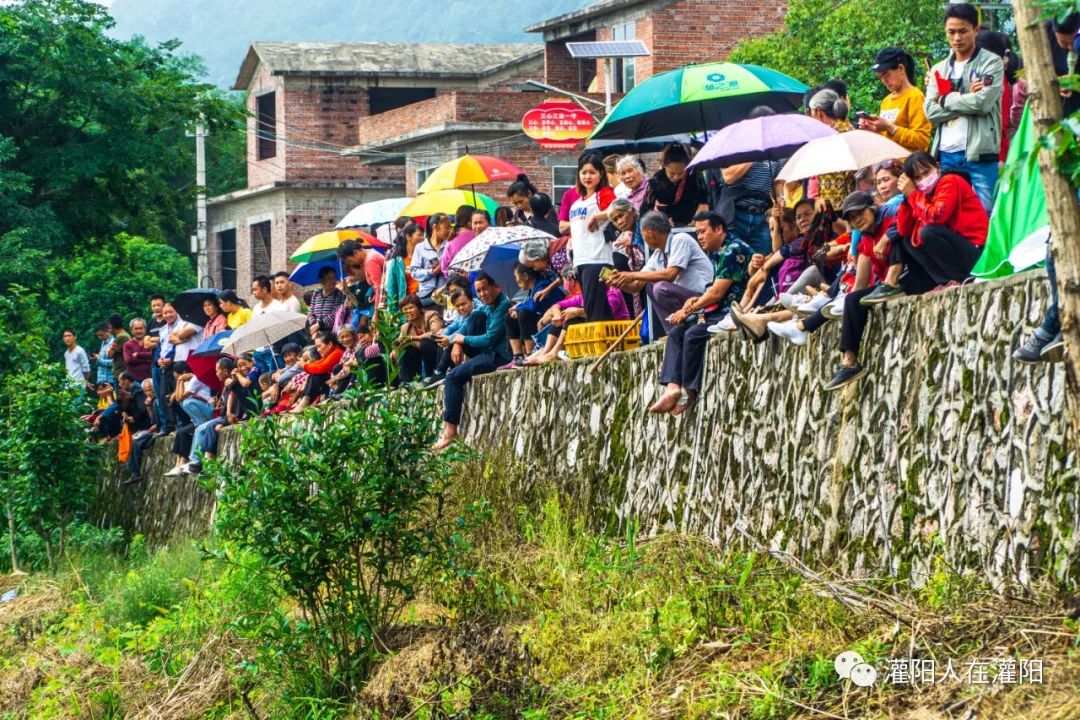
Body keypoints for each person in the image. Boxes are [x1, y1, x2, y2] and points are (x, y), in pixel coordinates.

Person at [823, 155, 988, 391]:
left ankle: (899, 283)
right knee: (853, 299)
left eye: (925, 173)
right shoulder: (868, 239)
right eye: (916, 177)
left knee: (924, 232)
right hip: (929, 272)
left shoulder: (949, 182)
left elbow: (936, 216)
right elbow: (903, 226)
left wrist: (910, 197)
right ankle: (849, 362)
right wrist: (910, 200)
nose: (857, 220)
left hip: (973, 253)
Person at [650, 212, 753, 415]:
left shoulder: (733, 249)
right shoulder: (717, 251)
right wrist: (694, 301)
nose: (700, 237)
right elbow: (711, 288)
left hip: (730, 310)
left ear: (719, 229)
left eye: (703, 231)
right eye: (697, 232)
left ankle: (689, 390)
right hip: (715, 308)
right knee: (677, 333)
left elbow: (716, 293)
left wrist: (688, 308)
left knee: (693, 334)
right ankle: (672, 387)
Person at [924, 2, 1004, 213]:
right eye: (951, 32)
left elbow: (984, 103)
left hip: (981, 153)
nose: (957, 38)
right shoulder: (939, 69)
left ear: (975, 30)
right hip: (946, 154)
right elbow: (930, 112)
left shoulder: (991, 63)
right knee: (949, 214)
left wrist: (945, 100)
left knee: (986, 213)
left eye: (963, 31)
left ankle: (986, 249)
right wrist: (968, 98)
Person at [433, 272, 511, 449]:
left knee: (453, 377)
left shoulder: (503, 305)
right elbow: (464, 327)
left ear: (495, 286)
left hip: (498, 357)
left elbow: (489, 339)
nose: (482, 294)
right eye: (479, 291)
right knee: (474, 317)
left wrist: (460, 340)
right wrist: (455, 341)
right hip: (486, 353)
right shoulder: (486, 307)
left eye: (485, 289)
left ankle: (450, 432)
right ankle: (441, 371)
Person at [608, 210, 715, 336]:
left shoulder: (680, 239)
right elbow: (636, 286)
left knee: (660, 287)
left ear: (651, 232)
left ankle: (689, 322)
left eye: (643, 236)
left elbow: (670, 274)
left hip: (702, 298)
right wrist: (619, 282)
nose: (644, 240)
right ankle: (672, 331)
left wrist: (630, 274)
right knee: (649, 285)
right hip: (685, 299)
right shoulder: (658, 254)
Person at [568, 153, 618, 321]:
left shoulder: (603, 194)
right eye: (583, 172)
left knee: (592, 306)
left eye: (592, 172)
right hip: (581, 261)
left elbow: (618, 210)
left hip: (598, 260)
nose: (587, 176)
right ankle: (613, 342)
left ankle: (602, 346)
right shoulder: (576, 203)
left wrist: (598, 217)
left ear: (601, 174)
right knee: (599, 305)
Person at [860, 47, 932, 152]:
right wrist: (873, 129)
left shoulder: (915, 96)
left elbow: (922, 140)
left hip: (908, 164)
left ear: (901, 69)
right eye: (880, 77)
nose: (884, 81)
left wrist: (890, 127)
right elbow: (886, 139)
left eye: (886, 75)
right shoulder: (886, 101)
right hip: (888, 161)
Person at [500, 262, 565, 369]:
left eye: (516, 277)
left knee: (524, 314)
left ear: (525, 276)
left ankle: (530, 354)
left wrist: (518, 307)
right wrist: (518, 308)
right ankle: (517, 356)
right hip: (542, 320)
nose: (516, 280)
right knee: (509, 317)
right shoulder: (532, 289)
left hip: (552, 321)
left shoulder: (543, 285)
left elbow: (533, 306)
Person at [807, 89, 856, 209]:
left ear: (818, 112)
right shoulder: (851, 129)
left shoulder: (825, 139)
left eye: (812, 112)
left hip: (834, 206)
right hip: (855, 202)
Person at [157, 303, 200, 434]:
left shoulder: (193, 321)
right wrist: (181, 339)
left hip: (188, 360)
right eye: (165, 313)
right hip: (174, 361)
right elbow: (172, 339)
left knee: (183, 392)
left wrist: (180, 338)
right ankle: (175, 424)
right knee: (166, 395)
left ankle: (188, 421)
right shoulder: (165, 328)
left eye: (171, 312)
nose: (169, 315)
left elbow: (179, 337)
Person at [641, 143, 708, 226]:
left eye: (680, 173)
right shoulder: (657, 179)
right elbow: (646, 210)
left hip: (692, 224)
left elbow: (704, 202)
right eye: (671, 173)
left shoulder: (693, 175)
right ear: (664, 165)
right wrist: (660, 221)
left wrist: (696, 221)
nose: (676, 177)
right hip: (665, 227)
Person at [393, 294, 445, 382]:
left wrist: (413, 338)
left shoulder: (431, 315)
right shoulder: (405, 327)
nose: (408, 311)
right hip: (419, 356)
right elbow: (400, 342)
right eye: (405, 309)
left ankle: (432, 375)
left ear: (420, 308)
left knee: (425, 343)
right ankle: (409, 381)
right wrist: (395, 350)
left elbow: (435, 333)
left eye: (411, 308)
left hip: (438, 351)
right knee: (404, 349)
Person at [290, 332, 345, 413]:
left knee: (317, 374)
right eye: (317, 347)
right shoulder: (330, 353)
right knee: (314, 374)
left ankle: (305, 401)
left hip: (337, 385)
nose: (318, 350)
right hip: (330, 384)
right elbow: (318, 363)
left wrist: (305, 365)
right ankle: (304, 400)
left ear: (329, 344)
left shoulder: (337, 353)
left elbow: (321, 368)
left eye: (319, 346)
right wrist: (304, 364)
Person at [337, 237, 386, 316]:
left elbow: (379, 287)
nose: (352, 263)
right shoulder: (370, 255)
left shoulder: (371, 260)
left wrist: (376, 313)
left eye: (350, 261)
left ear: (355, 252)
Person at [123, 379, 157, 485]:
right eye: (146, 391)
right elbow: (153, 420)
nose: (148, 393)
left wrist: (148, 430)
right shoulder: (151, 401)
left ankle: (135, 474)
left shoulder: (159, 400)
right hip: (152, 428)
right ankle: (134, 473)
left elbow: (159, 423)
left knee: (137, 441)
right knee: (135, 441)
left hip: (158, 429)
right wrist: (148, 407)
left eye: (150, 390)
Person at [411, 212, 450, 306]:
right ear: (435, 227)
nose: (449, 230)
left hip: (445, 295)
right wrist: (431, 271)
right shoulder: (420, 247)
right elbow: (414, 272)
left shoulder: (449, 245)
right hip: (426, 296)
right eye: (447, 227)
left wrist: (443, 267)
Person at [1049, 13, 1080, 116]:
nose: (1071, 47)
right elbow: (1024, 76)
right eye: (1064, 42)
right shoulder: (1044, 35)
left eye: (1074, 40)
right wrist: (1054, 84)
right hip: (1052, 111)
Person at [307, 266, 346, 336]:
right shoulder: (316, 293)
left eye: (334, 277)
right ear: (322, 281)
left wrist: (319, 325)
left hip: (331, 331)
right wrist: (314, 325)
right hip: (315, 330)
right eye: (329, 278)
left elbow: (336, 314)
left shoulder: (338, 294)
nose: (333, 281)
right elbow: (311, 311)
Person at [122, 318, 155, 382]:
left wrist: (138, 355)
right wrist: (148, 359)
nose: (138, 331)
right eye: (136, 329)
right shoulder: (127, 344)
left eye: (141, 328)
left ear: (145, 329)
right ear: (131, 331)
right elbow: (129, 360)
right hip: (134, 380)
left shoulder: (151, 341)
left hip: (151, 378)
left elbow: (154, 355)